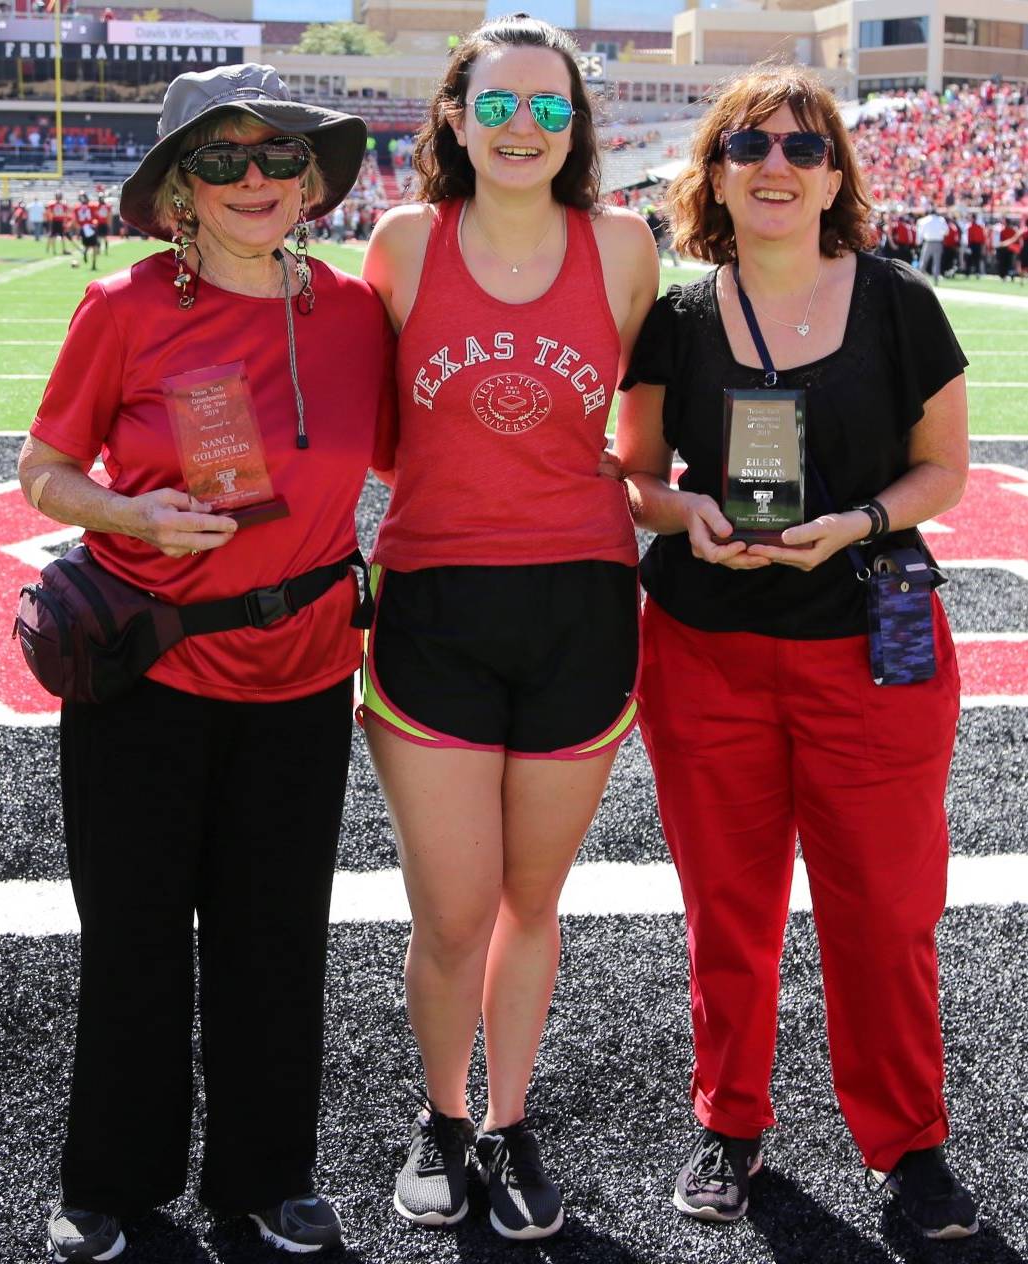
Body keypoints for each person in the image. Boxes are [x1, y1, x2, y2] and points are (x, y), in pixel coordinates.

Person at [18, 62, 391, 1262]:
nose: (254, 179)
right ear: (178, 186)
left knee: (275, 940)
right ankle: (110, 1184)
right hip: (149, 677)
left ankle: (267, 1178)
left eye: (280, 157)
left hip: (304, 678)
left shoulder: (350, 313)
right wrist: (133, 519)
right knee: (131, 941)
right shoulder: (121, 309)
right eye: (222, 160)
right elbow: (44, 474)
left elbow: (418, 455)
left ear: (311, 181)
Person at [616, 64, 978, 1242]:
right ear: (713, 171)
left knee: (883, 907)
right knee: (729, 907)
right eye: (749, 145)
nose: (776, 164)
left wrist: (861, 520)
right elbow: (632, 474)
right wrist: (690, 517)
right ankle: (728, 1121)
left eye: (803, 146)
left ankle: (908, 1145)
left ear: (836, 175)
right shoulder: (672, 316)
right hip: (705, 647)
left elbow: (942, 473)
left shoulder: (896, 303)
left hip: (870, 646)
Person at [360, 12, 658, 1242]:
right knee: (452, 908)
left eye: (549, 106)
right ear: (452, 115)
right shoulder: (403, 243)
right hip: (433, 603)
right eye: (498, 103)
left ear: (576, 125)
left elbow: (640, 441)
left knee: (533, 899)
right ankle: (439, 1117)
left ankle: (506, 1118)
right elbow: (381, 433)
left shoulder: (626, 246)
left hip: (583, 604)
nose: (523, 126)